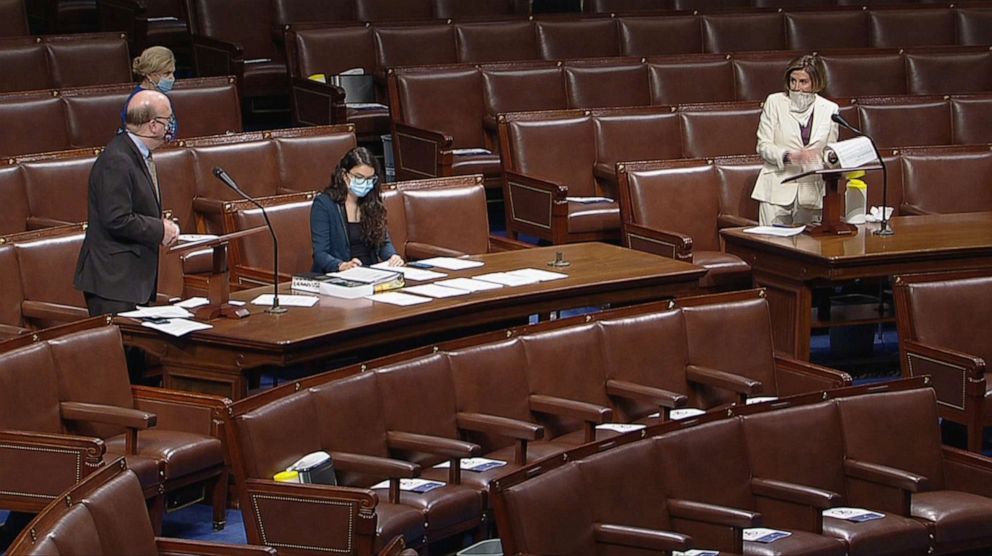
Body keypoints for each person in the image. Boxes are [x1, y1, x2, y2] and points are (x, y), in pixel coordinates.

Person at [75, 89, 180, 316]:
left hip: (130, 281)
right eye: (168, 119)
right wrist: (159, 229)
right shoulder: (117, 160)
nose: (171, 125)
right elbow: (117, 218)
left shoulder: (134, 154)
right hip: (113, 283)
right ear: (153, 125)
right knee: (121, 351)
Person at [751, 54, 839, 226]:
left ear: (816, 82)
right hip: (777, 188)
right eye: (793, 81)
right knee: (772, 245)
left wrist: (832, 158)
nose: (796, 87)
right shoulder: (774, 102)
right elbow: (763, 146)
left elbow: (830, 150)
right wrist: (789, 156)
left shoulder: (830, 109)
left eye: (803, 82)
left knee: (807, 247)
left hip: (811, 192)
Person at [311, 147, 403, 273]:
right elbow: (320, 253)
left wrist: (393, 257)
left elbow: (383, 242)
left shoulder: (372, 202)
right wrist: (341, 265)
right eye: (359, 177)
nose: (365, 183)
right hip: (337, 275)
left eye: (370, 179)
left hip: (370, 272)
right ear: (344, 175)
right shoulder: (324, 204)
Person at [119, 46, 179, 142]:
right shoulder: (138, 102)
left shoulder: (162, 97)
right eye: (166, 74)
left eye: (172, 73)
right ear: (149, 74)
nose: (172, 78)